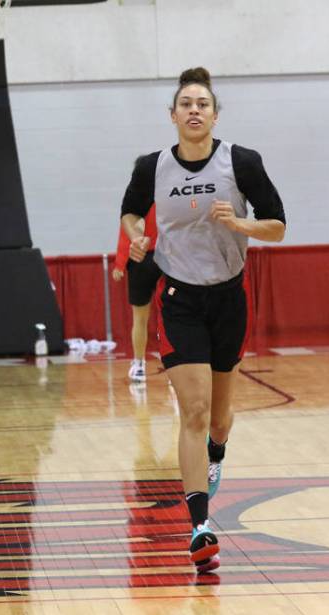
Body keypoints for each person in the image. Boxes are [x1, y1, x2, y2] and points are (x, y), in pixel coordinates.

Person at [119, 68, 285, 573]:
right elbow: (129, 212)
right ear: (172, 116)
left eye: (203, 104)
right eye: (185, 104)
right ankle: (199, 527)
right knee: (191, 410)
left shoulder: (243, 161)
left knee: (217, 417)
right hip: (178, 299)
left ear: (215, 115)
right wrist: (137, 236)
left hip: (229, 298)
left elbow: (278, 227)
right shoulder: (151, 167)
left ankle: (218, 448)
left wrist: (240, 223)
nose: (194, 110)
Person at [111, 203, 160, 382]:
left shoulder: (137, 201)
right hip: (164, 259)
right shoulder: (169, 194)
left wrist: (120, 264)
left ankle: (139, 365)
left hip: (141, 260)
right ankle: (174, 368)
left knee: (140, 318)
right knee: (172, 317)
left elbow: (126, 234)